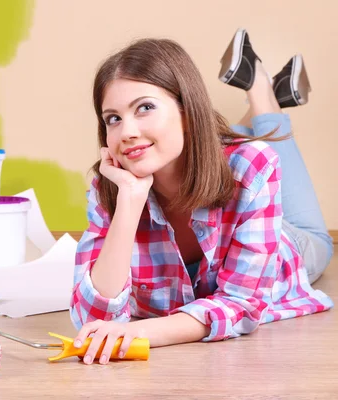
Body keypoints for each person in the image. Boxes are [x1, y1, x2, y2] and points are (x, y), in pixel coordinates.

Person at [69, 28, 334, 365]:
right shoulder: (111, 187)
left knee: (319, 243)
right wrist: (130, 202)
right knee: (223, 146)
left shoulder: (252, 165)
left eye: (145, 108)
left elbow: (240, 302)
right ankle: (267, 99)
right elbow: (93, 320)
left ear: (187, 110)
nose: (127, 132)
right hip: (206, 152)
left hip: (286, 245)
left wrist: (144, 333)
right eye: (114, 119)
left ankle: (261, 89)